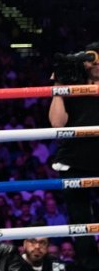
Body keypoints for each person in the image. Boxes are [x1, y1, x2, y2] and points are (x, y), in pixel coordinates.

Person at [49, 41, 99, 270]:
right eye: (91, 58)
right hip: (74, 160)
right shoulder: (72, 85)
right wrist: (59, 84)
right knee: (80, 220)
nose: (95, 63)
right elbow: (57, 123)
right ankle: (90, 267)